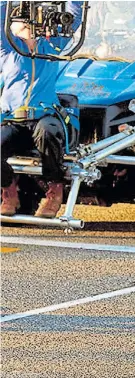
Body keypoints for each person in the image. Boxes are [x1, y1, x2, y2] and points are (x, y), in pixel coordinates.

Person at [0, 1, 82, 217]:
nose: (28, 26)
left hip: (43, 117)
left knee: (47, 131)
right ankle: (8, 190)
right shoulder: (8, 48)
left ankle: (54, 189)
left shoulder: (51, 47)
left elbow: (74, 18)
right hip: (13, 120)